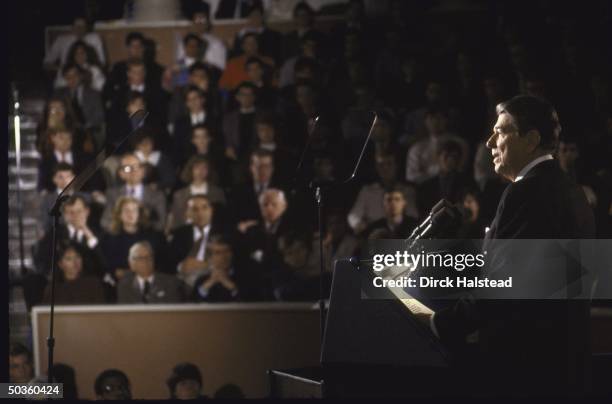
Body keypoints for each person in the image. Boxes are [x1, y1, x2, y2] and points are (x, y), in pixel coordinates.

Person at [416, 95, 596, 396]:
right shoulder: (570, 191)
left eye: (500, 131)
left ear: (531, 139)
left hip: (527, 369)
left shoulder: (526, 192)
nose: (489, 143)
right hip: (563, 365)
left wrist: (438, 323)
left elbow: (502, 286)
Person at [100, 196, 168, 291]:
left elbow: (161, 262)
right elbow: (107, 266)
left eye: (134, 210)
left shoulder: (153, 236)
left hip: (150, 282)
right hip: (118, 284)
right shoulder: (108, 238)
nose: (130, 214)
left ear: (139, 214)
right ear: (119, 214)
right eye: (126, 210)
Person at [101, 153, 167, 232]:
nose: (133, 171)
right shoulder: (112, 194)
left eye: (137, 167)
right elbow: (105, 221)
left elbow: (161, 224)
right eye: (128, 168)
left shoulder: (157, 195)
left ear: (143, 171)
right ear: (121, 173)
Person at [168, 195, 223, 288]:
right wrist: (181, 266)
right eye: (195, 209)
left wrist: (207, 266)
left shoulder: (223, 232)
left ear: (211, 210)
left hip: (214, 279)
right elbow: (168, 262)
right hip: (184, 280)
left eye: (205, 208)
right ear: (188, 213)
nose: (200, 213)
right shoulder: (179, 234)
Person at [168, 156, 226, 232]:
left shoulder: (217, 192)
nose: (200, 171)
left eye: (204, 168)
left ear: (209, 171)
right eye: (197, 168)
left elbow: (222, 219)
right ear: (191, 170)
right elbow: (177, 221)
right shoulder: (179, 195)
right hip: (186, 233)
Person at [117, 241, 185, 303]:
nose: (145, 261)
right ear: (131, 264)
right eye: (140, 258)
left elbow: (174, 311)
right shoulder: (124, 286)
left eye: (148, 257)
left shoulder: (171, 283)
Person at [192, 235, 253, 302]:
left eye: (227, 251)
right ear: (210, 258)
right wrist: (207, 285)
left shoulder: (246, 278)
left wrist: (232, 287)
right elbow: (192, 306)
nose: (224, 257)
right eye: (218, 253)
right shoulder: (201, 281)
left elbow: (252, 306)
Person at [41, 243, 106, 305]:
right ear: (60, 264)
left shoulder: (93, 284)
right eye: (69, 258)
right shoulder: (53, 288)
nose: (75, 262)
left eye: (77, 257)